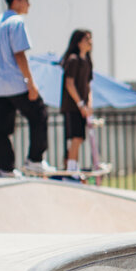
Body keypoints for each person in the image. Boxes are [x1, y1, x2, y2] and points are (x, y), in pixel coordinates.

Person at [0, 0, 53, 176]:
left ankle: (5, 168)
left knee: (2, 128)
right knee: (39, 114)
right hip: (16, 83)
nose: (29, 5)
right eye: (26, 0)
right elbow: (19, 54)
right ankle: (35, 160)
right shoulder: (17, 22)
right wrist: (30, 82)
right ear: (16, 1)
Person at [59, 29, 94, 173]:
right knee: (75, 138)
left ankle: (73, 166)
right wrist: (80, 104)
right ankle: (71, 169)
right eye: (87, 39)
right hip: (72, 106)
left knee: (79, 139)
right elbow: (69, 83)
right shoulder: (73, 60)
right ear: (79, 42)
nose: (90, 42)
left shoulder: (87, 61)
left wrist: (89, 106)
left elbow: (88, 85)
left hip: (82, 107)